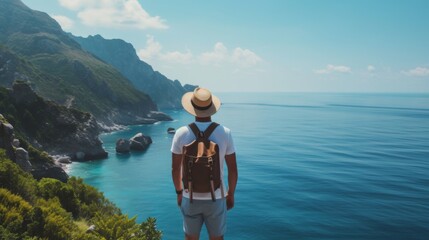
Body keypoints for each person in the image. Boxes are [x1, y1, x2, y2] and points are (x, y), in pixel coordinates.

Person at [171, 87, 238, 240]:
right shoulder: (225, 132)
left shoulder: (181, 133)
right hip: (217, 197)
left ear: (192, 108)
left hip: (190, 196)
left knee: (190, 238)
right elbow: (233, 170)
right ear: (212, 109)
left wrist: (179, 192)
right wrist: (231, 194)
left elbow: (175, 169)